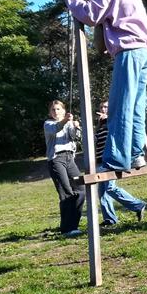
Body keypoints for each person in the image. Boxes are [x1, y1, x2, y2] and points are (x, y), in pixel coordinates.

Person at [65, 0, 147, 171]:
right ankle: (135, 155)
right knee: (135, 109)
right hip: (145, 52)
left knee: (119, 107)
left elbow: (91, 14)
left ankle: (116, 160)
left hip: (130, 52)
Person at [95, 100, 147, 227]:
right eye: (101, 107)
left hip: (110, 160)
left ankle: (138, 205)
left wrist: (107, 120)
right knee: (102, 192)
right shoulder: (99, 126)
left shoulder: (114, 122)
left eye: (106, 107)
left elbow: (118, 131)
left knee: (110, 188)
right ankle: (110, 219)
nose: (103, 109)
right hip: (99, 161)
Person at [44, 100, 84, 237]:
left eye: (58, 109)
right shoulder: (48, 124)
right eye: (53, 110)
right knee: (66, 193)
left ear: (63, 110)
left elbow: (76, 138)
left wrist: (76, 126)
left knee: (81, 189)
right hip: (56, 160)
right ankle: (67, 229)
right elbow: (56, 129)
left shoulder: (69, 123)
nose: (56, 112)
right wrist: (65, 121)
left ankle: (74, 224)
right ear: (50, 113)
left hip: (70, 159)